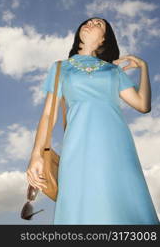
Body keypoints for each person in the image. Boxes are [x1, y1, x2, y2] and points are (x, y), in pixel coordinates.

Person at [26, 17, 160, 225]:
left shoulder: (113, 71)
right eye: (88, 21)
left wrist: (144, 67)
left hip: (117, 145)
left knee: (123, 203)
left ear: (104, 39)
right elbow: (47, 115)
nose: (91, 23)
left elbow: (143, 105)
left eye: (99, 24)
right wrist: (36, 155)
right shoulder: (61, 67)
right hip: (77, 147)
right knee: (83, 205)